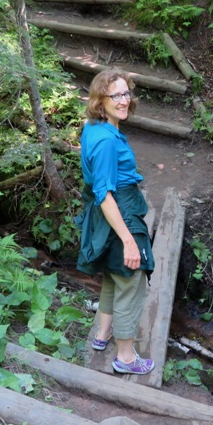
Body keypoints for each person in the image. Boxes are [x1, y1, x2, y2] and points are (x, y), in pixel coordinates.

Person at [75, 69, 155, 375]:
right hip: (117, 210)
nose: (123, 101)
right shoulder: (107, 141)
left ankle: (102, 334)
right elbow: (104, 194)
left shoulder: (94, 127)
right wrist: (129, 240)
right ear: (100, 99)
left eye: (126, 93)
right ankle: (125, 357)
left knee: (113, 274)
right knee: (131, 278)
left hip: (107, 213)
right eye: (115, 95)